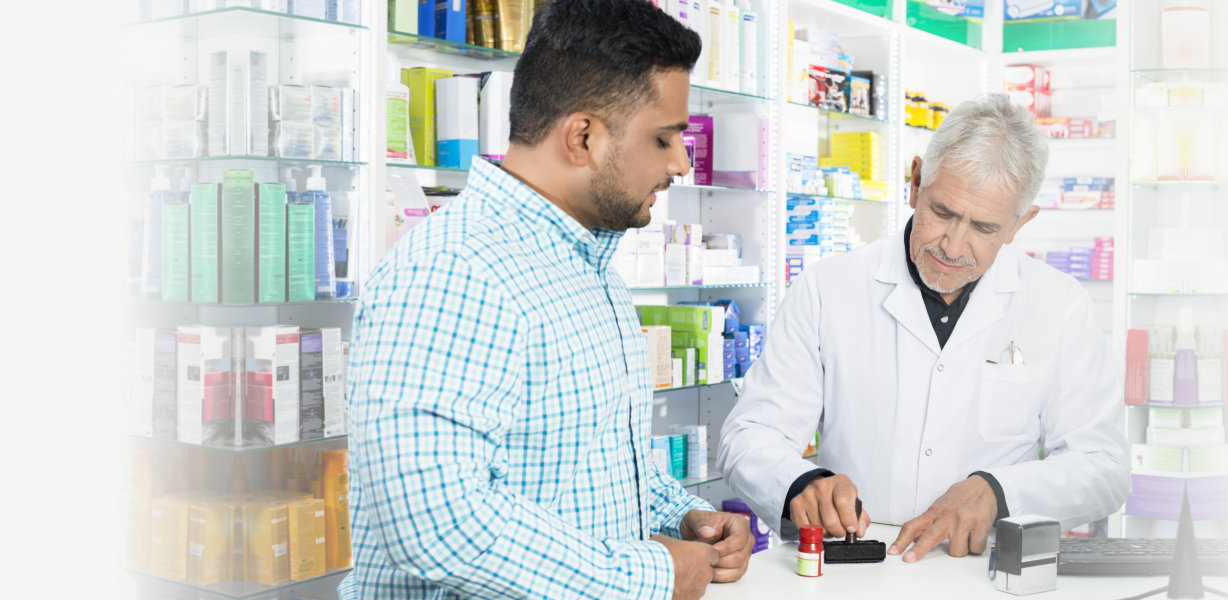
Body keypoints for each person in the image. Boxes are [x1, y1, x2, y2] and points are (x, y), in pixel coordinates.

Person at [341, 0, 752, 597]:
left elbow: (588, 459)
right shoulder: (456, 269)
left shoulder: (589, 265)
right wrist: (651, 576)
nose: (681, 163)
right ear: (582, 137)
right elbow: (436, 525)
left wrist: (679, 516)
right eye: (664, 138)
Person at [718, 93, 1129, 563]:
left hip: (986, 569)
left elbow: (1104, 468)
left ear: (1020, 223)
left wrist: (997, 491)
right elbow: (748, 434)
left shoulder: (1059, 305)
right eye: (943, 213)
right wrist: (801, 483)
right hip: (856, 564)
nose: (953, 246)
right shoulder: (827, 288)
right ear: (915, 183)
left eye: (984, 228)